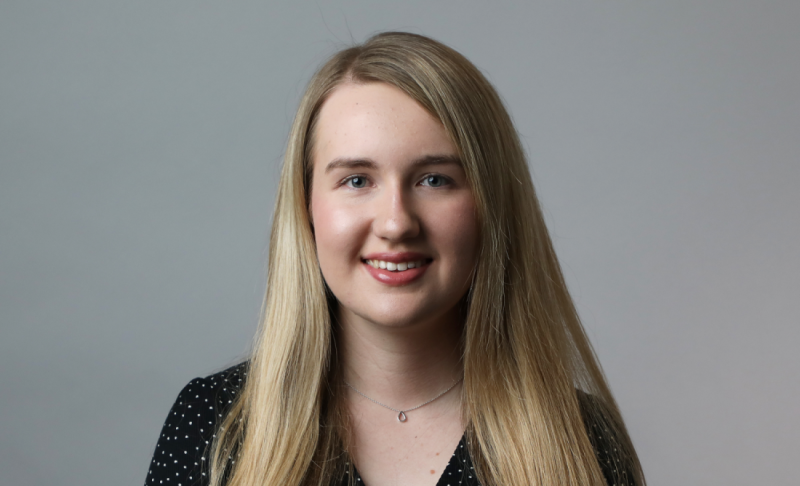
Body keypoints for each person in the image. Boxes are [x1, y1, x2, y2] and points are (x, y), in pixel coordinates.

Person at [144, 32, 645, 486]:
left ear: (492, 206)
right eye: (357, 180)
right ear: (307, 207)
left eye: (435, 180)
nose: (396, 222)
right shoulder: (213, 425)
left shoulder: (584, 442)